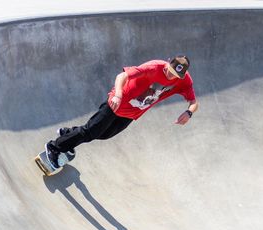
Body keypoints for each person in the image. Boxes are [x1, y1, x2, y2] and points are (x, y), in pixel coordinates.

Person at [44, 55, 199, 168]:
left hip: (131, 114)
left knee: (103, 135)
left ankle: (69, 134)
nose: (171, 76)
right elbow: (122, 76)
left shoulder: (184, 80)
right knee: (90, 132)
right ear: (168, 62)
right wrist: (118, 94)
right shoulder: (154, 67)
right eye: (169, 71)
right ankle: (55, 147)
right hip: (116, 104)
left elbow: (194, 102)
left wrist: (189, 113)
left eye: (175, 74)